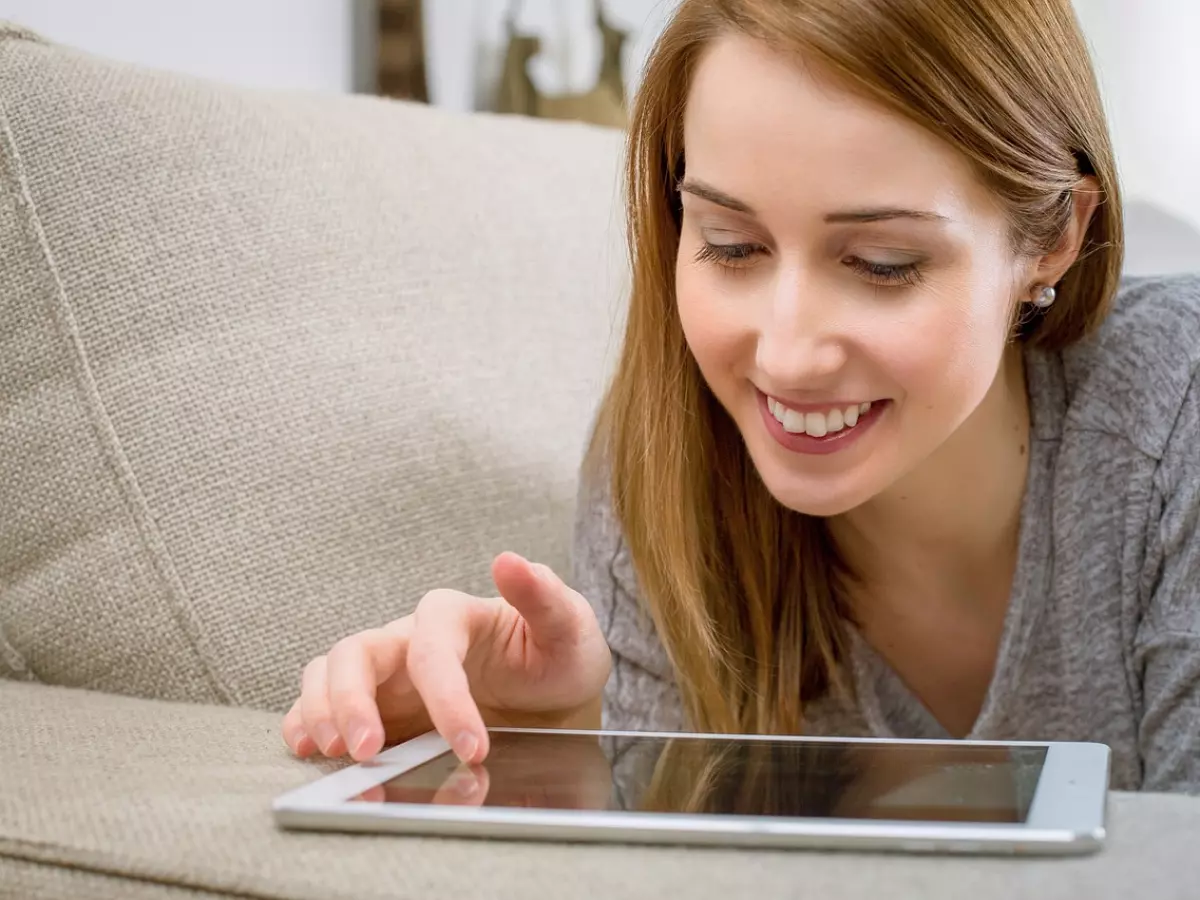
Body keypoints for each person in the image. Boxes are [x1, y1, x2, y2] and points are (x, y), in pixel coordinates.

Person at [282, 0, 1200, 793]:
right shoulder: (667, 460)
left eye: (883, 264)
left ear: (1054, 239)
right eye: (729, 245)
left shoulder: (1177, 411)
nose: (789, 355)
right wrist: (560, 745)